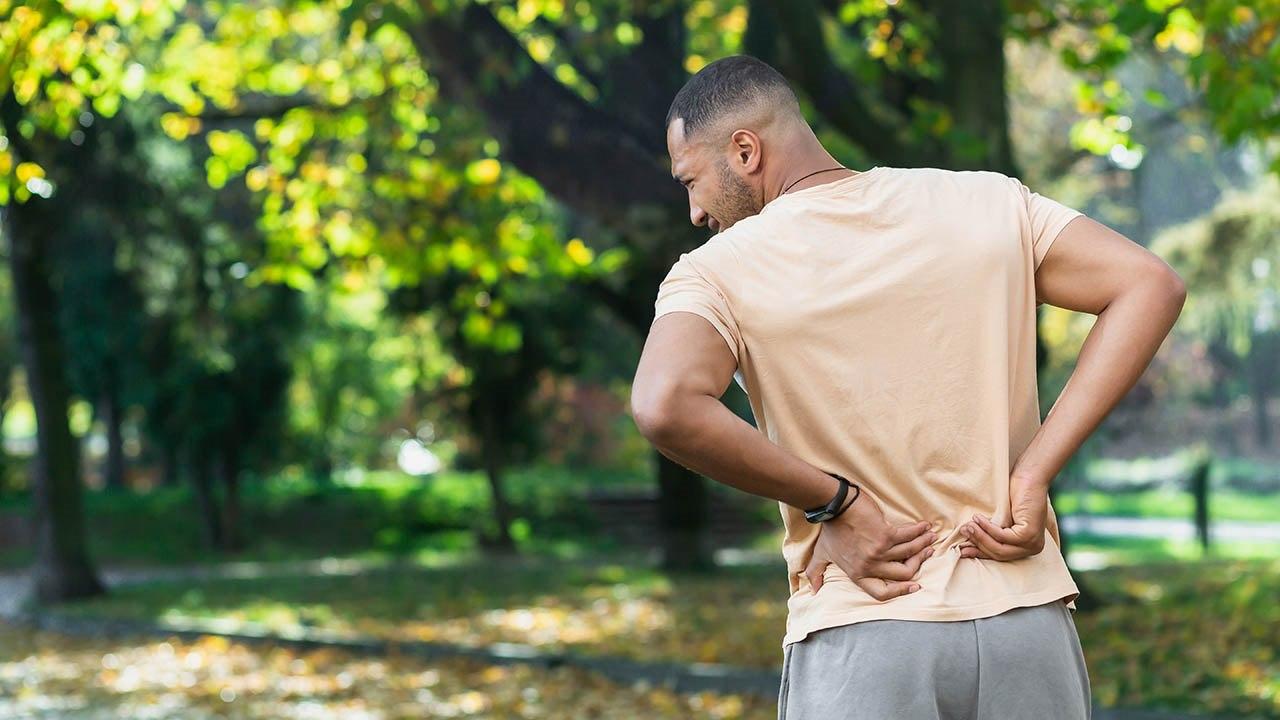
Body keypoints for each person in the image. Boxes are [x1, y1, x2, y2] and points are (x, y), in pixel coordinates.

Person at [630, 54, 1186, 720]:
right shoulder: (985, 203)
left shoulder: (718, 272)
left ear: (744, 150)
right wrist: (1034, 473)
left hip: (866, 630)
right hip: (1026, 630)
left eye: (691, 181)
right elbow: (1150, 284)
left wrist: (833, 501)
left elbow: (665, 405)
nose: (694, 212)